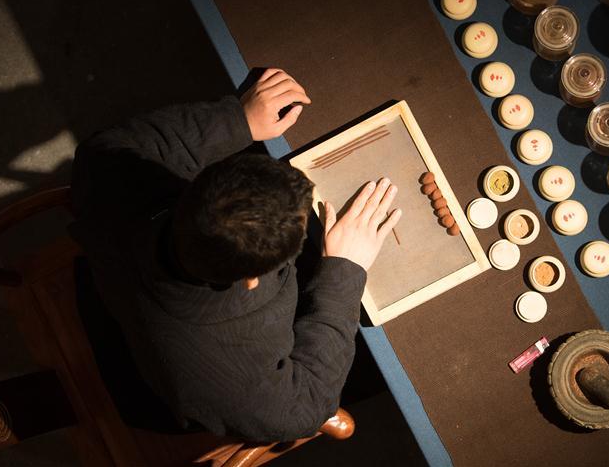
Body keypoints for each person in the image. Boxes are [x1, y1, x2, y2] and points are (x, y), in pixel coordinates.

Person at [69, 68, 401, 442]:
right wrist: (344, 269)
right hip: (155, 386)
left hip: (112, 286)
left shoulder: (118, 175)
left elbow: (107, 147)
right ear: (251, 279)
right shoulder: (228, 377)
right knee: (382, 367)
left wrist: (239, 121)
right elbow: (305, 409)